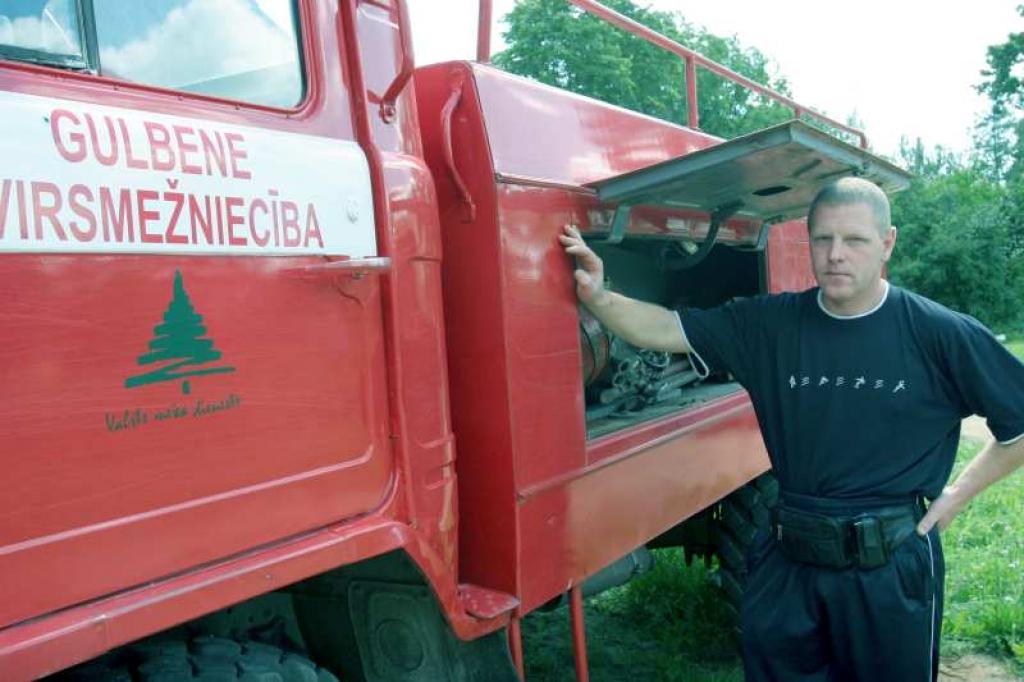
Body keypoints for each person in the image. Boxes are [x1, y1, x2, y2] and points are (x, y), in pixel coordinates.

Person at [559, 177, 1024, 682]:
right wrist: (600, 298)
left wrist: (956, 495)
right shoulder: (769, 325)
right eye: (823, 239)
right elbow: (666, 329)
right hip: (788, 565)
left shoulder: (938, 332)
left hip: (887, 570)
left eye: (855, 240)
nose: (836, 255)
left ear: (887, 242)